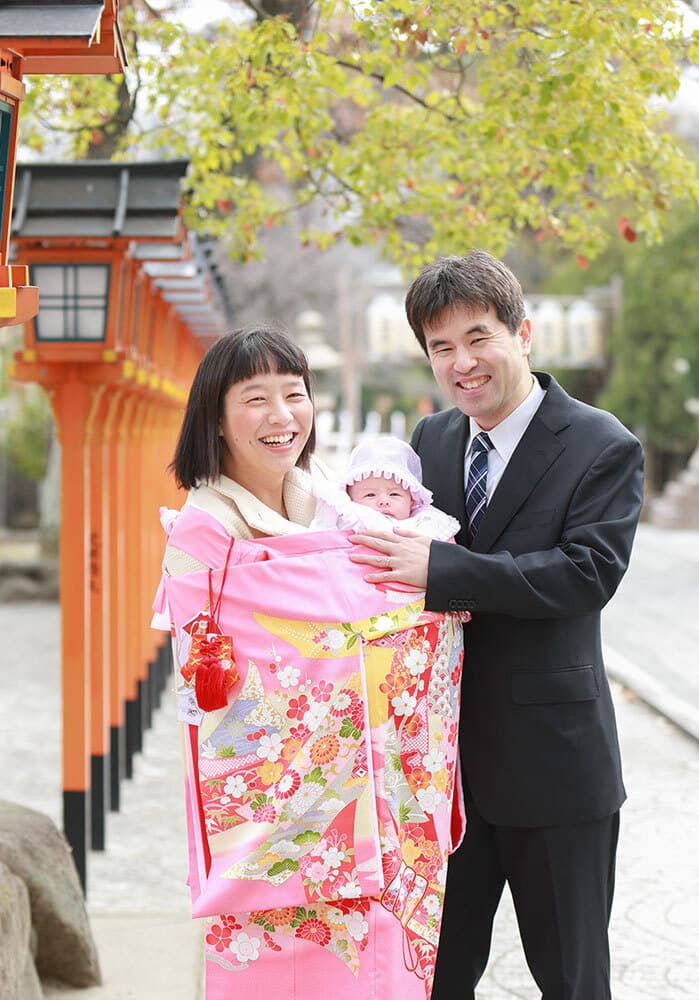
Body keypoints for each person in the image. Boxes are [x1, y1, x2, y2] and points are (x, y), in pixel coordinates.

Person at [348, 250, 644, 1000]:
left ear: (523, 333)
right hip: (439, 776)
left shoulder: (601, 444)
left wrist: (441, 574)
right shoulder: (431, 442)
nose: (462, 363)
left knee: (573, 982)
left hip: (556, 770)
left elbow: (587, 575)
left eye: (478, 337)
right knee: (431, 980)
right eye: (441, 347)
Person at [154, 324, 468, 1000]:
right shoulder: (203, 525)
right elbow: (243, 670)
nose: (282, 416)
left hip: (378, 794)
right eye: (256, 398)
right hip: (277, 803)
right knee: (278, 966)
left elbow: (390, 610)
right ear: (215, 416)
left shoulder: (331, 501)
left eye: (294, 395)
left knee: (378, 965)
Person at [309, 434, 460, 541]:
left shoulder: (428, 524)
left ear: (412, 501)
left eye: (394, 494)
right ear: (350, 498)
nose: (383, 501)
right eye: (370, 495)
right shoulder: (350, 519)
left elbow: (447, 563)